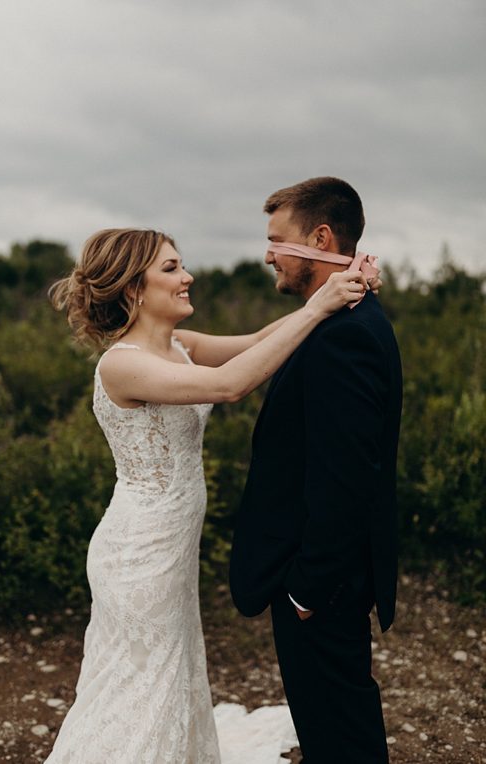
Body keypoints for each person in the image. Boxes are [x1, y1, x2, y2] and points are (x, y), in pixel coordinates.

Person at [45, 226, 372, 763]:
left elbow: (262, 343)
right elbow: (231, 385)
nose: (187, 276)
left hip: (172, 552)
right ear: (133, 289)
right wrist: (320, 308)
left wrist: (340, 289)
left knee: (169, 676)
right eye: (171, 269)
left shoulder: (181, 347)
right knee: (139, 684)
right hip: (138, 554)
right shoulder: (121, 364)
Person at [230, 177, 402, 763]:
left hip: (322, 580)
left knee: (340, 731)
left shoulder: (343, 337)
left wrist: (307, 585)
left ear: (320, 238)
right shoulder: (333, 320)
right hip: (327, 575)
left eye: (277, 239)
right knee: (330, 723)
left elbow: (346, 473)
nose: (269, 253)